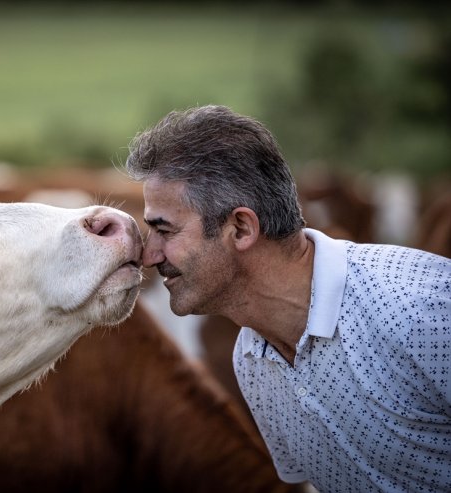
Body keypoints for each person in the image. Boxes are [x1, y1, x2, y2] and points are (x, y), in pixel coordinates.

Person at [125, 104, 451, 493]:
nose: (149, 255)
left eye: (164, 230)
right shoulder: (250, 360)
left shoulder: (421, 308)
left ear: (242, 229)